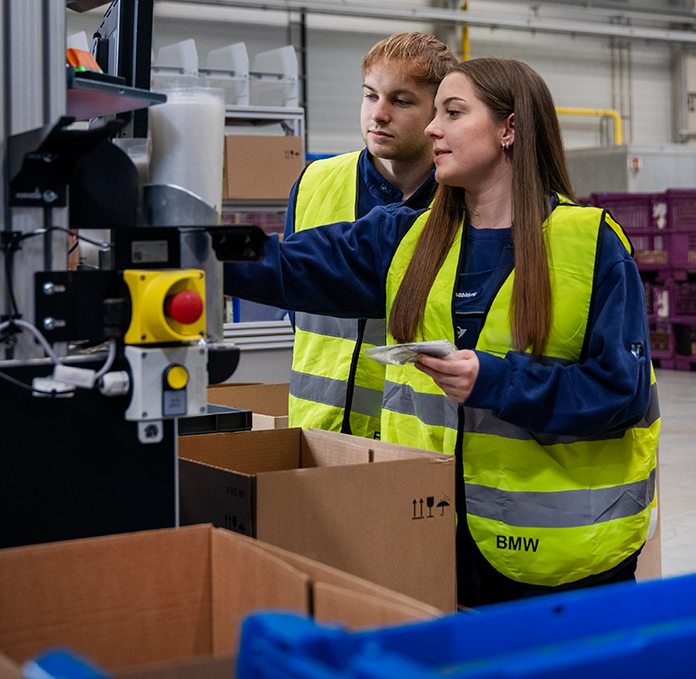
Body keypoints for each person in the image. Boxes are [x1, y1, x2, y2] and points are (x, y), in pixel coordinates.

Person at [226, 58, 658, 607]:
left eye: (453, 112)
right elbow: (284, 265)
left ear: (509, 129)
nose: (432, 128)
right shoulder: (406, 238)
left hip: (562, 561)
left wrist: (496, 380)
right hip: (437, 540)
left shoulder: (590, 245)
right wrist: (180, 245)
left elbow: (620, 393)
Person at [281, 32, 457, 439]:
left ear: (439, 113)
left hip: (414, 440)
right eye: (370, 95)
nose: (378, 114)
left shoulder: (463, 199)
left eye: (401, 101)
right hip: (316, 430)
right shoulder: (314, 181)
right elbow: (295, 304)